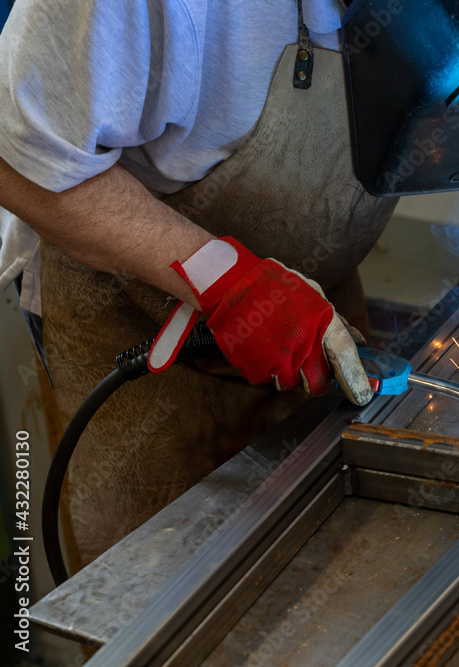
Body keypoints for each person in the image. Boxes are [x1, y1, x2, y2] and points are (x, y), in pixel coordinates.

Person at [0, 0, 397, 565]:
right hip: (131, 323)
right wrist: (229, 285)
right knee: (162, 586)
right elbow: (19, 162)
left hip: (315, 308)